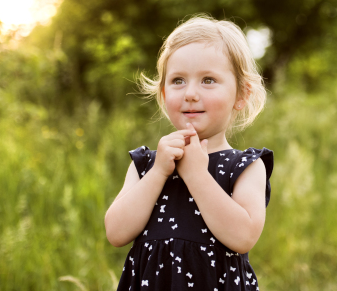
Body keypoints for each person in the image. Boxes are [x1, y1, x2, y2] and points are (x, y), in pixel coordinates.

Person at [105, 15, 274, 290]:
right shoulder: (147, 163)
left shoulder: (245, 166)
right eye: (178, 81)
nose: (191, 93)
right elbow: (115, 232)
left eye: (208, 80)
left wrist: (197, 174)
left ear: (241, 94)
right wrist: (159, 172)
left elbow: (243, 237)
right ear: (163, 93)